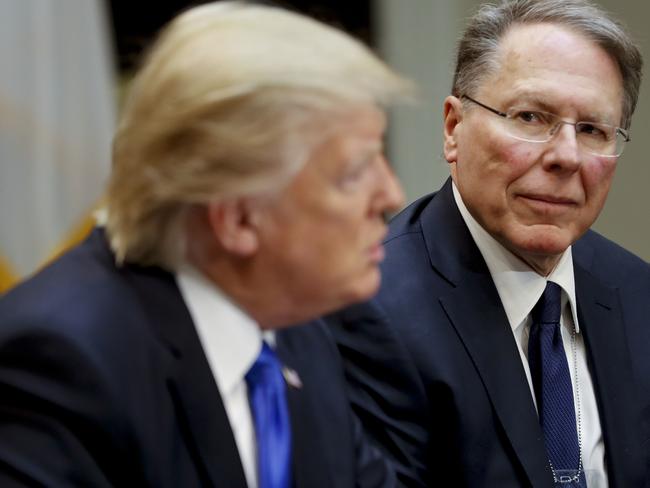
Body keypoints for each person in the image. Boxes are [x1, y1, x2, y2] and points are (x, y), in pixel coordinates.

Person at [0, 2, 411, 487]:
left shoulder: (298, 328)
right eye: (353, 173)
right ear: (237, 219)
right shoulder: (62, 362)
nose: (392, 194)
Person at [328, 0, 650, 486]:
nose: (567, 156)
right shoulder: (367, 308)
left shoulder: (637, 292)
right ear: (454, 128)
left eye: (592, 129)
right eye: (530, 117)